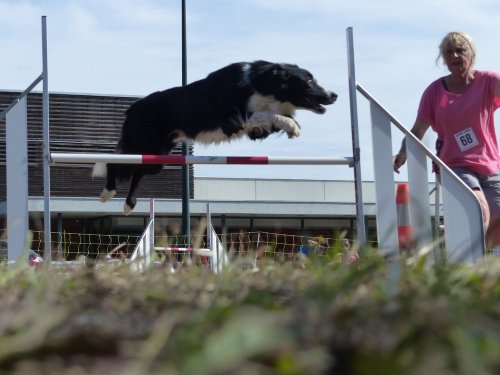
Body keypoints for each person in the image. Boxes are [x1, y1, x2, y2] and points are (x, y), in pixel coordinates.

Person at [393, 32, 500, 248]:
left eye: (461, 50)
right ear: (443, 59)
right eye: (449, 52)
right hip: (453, 165)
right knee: (478, 206)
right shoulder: (434, 92)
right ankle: (471, 265)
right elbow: (417, 130)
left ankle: (475, 263)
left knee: (496, 226)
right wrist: (402, 152)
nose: (455, 56)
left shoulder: (488, 81)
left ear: (472, 54)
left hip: (489, 165)